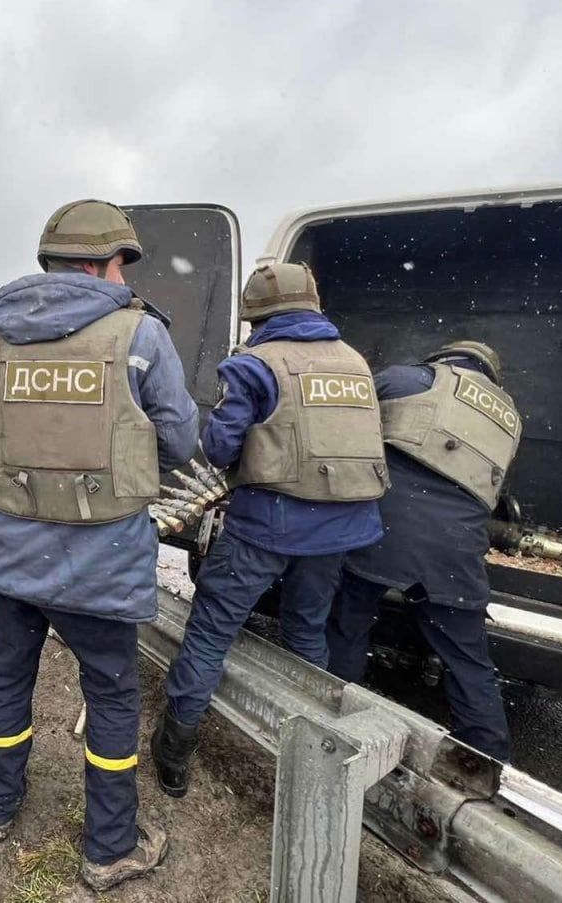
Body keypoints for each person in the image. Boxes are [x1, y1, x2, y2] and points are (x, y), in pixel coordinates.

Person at [0, 199, 198, 893]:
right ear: (97, 264)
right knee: (113, 696)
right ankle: (109, 847)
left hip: (13, 560)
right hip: (102, 565)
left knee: (7, 679)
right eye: (121, 265)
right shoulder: (143, 337)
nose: (124, 280)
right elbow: (180, 443)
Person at [152, 261, 387, 798]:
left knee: (212, 631)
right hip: (343, 529)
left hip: (269, 526)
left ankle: (175, 751)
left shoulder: (255, 364)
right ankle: (313, 758)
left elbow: (219, 448)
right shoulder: (355, 363)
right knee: (307, 632)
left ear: (255, 316)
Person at [325, 341, 519, 762]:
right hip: (456, 555)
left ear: (445, 358)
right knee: (468, 660)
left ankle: (333, 724)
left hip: (383, 535)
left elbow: (342, 416)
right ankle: (487, 759)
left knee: (348, 625)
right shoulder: (511, 419)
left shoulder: (409, 379)